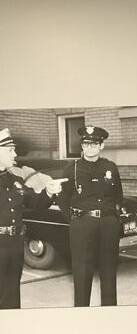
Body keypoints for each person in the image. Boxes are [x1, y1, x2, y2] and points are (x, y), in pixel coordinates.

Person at [57, 125, 122, 307]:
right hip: (82, 225)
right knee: (82, 273)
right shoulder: (72, 169)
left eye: (94, 144)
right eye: (86, 144)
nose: (90, 147)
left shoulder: (111, 167)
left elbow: (118, 196)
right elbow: (62, 200)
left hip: (108, 225)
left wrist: (113, 220)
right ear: (82, 146)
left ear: (102, 146)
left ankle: (110, 317)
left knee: (109, 273)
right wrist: (74, 220)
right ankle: (82, 317)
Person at [0, 128, 61, 309]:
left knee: (12, 297)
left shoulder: (13, 179)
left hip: (15, 244)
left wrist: (48, 192)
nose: (15, 154)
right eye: (10, 150)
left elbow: (33, 202)